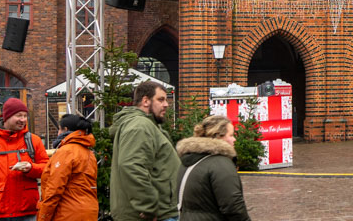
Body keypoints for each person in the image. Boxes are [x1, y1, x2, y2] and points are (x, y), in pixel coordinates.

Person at [109, 80, 181, 221]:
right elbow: (131, 166)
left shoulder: (146, 125)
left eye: (166, 100)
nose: (166, 104)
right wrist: (148, 206)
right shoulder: (140, 126)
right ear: (146, 101)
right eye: (160, 99)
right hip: (152, 215)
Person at [177, 114, 252, 221]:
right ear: (218, 136)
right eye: (231, 135)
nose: (234, 139)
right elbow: (233, 206)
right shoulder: (221, 164)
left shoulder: (188, 161)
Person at [37, 114, 98, 221]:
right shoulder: (88, 152)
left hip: (67, 212)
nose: (57, 133)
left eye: (58, 130)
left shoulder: (66, 151)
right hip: (89, 210)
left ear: (65, 129)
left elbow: (54, 190)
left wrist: (43, 217)